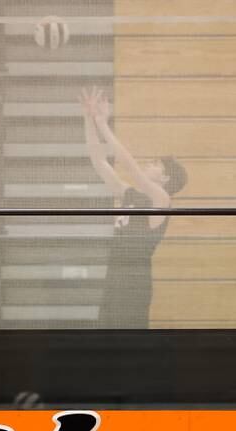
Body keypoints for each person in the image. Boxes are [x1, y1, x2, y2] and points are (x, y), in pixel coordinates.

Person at [79, 87, 188, 328]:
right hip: (114, 274)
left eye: (156, 164)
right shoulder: (129, 194)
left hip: (134, 281)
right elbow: (98, 160)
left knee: (128, 345)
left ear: (166, 178)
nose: (149, 164)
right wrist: (89, 120)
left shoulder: (162, 200)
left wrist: (104, 124)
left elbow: (130, 166)